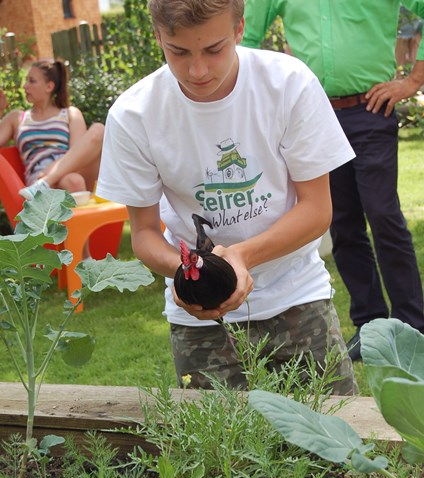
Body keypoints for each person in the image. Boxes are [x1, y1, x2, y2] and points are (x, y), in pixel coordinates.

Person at [96, 0, 358, 395]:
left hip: (297, 297)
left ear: (239, 29)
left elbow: (317, 210)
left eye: (214, 49)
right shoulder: (134, 114)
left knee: (336, 442)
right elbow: (145, 234)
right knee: (218, 454)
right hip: (199, 316)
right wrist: (187, 273)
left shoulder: (288, 83)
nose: (197, 70)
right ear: (158, 36)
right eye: (178, 52)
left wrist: (241, 257)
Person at [242, 0, 424, 361]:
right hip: (313, 116)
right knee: (340, 222)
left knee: (383, 214)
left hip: (372, 109)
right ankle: (370, 325)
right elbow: (245, 35)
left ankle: (413, 327)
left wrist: (414, 80)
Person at [0, 59, 104, 201]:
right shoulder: (17, 118)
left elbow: (78, 156)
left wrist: (51, 172)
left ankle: (46, 181)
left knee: (99, 129)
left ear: (49, 86)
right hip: (36, 182)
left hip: (64, 173)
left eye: (32, 81)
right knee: (73, 181)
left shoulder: (70, 114)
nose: (25, 86)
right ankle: (44, 184)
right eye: (26, 81)